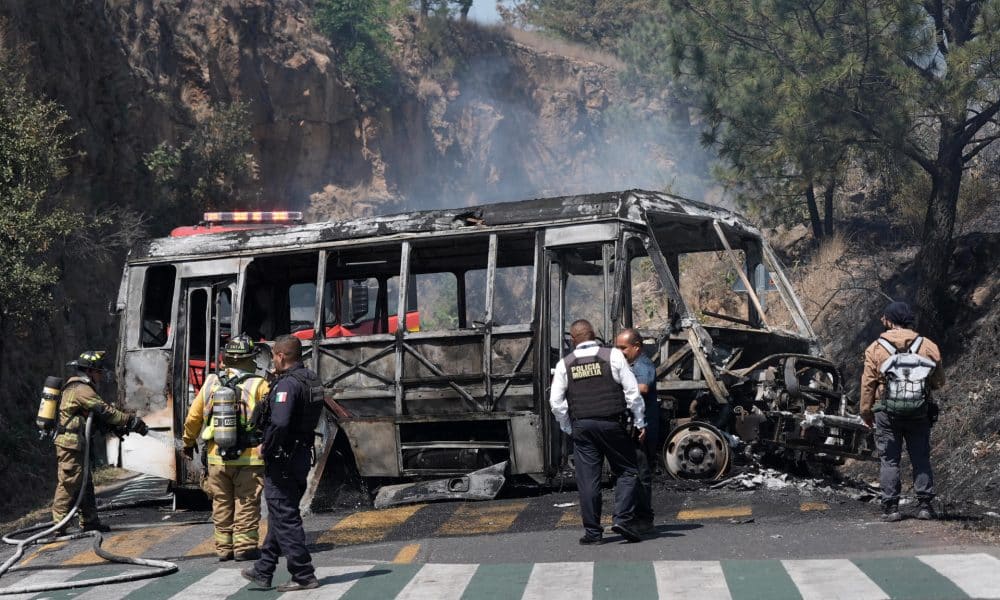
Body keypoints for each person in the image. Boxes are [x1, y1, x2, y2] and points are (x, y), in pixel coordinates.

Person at [549, 319, 646, 545]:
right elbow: (632, 393)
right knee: (627, 470)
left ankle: (593, 533)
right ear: (593, 335)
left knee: (588, 481)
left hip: (582, 427)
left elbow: (556, 403)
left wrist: (567, 427)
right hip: (612, 423)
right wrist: (640, 422)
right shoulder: (613, 356)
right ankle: (622, 519)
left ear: (573, 339)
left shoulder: (565, 364)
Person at [242, 335, 323, 591]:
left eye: (274, 357)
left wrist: (266, 447)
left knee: (285, 516)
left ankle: (303, 574)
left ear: (280, 355)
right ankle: (264, 569)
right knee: (281, 512)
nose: (273, 362)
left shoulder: (287, 384)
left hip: (283, 460)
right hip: (301, 456)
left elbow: (279, 422)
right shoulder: (311, 379)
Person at [182, 334, 269, 562]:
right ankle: (245, 547)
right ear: (250, 358)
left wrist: (188, 443)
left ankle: (223, 548)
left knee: (221, 503)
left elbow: (193, 418)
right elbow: (271, 419)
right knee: (246, 502)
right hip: (249, 458)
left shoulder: (211, 383)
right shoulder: (260, 384)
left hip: (216, 457)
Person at [860, 301, 944, 522]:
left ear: (889, 321)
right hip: (919, 412)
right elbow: (939, 381)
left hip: (886, 413)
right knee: (920, 457)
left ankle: (891, 508)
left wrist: (866, 412)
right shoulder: (928, 346)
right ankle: (925, 506)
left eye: (884, 318)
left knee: (890, 460)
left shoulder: (875, 348)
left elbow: (868, 384)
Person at [52, 351, 148, 532]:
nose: (101, 375)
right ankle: (59, 524)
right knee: (70, 481)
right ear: (89, 371)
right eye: (98, 371)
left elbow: (96, 418)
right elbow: (104, 411)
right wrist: (129, 420)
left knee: (85, 482)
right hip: (70, 444)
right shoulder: (80, 389)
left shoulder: (82, 387)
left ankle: (89, 521)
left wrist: (115, 428)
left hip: (78, 443)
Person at [614, 328, 658, 534]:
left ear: (637, 347)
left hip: (644, 428)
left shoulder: (643, 364)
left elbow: (643, 387)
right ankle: (633, 517)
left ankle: (644, 519)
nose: (619, 352)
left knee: (641, 475)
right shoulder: (629, 365)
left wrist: (616, 387)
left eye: (623, 348)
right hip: (634, 426)